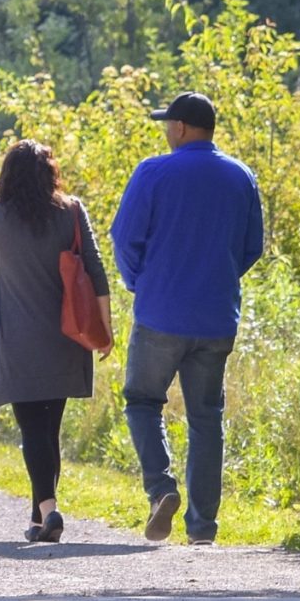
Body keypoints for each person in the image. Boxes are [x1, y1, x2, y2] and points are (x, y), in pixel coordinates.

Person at [109, 91, 264, 543]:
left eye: (167, 124)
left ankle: (161, 488)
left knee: (142, 400)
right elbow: (251, 246)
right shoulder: (241, 176)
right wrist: (216, 278)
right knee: (205, 417)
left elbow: (125, 238)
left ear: (179, 128)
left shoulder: (153, 171)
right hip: (216, 318)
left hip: (160, 312)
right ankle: (203, 528)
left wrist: (140, 281)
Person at [0, 140, 111, 543]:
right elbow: (96, 272)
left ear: (7, 175)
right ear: (50, 173)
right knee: (49, 428)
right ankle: (38, 518)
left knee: (33, 427)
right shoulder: (72, 212)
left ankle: (48, 510)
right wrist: (105, 328)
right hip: (67, 335)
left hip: (17, 338)